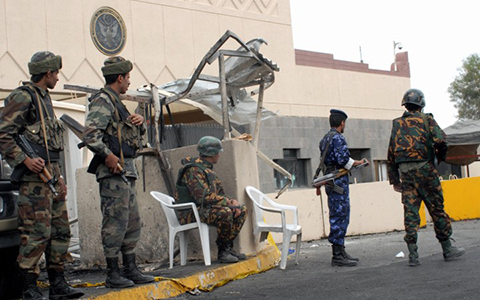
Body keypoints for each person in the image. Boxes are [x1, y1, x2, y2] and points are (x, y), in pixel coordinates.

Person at [0, 51, 84, 300]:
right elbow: (3, 133)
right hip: (33, 181)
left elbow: (50, 145)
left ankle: (58, 284)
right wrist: (24, 159)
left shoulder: (44, 99)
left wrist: (59, 179)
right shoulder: (23, 97)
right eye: (56, 73)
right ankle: (29, 288)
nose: (58, 77)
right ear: (47, 73)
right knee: (36, 233)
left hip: (51, 175)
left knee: (60, 231)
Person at [83, 56, 154, 288]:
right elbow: (91, 134)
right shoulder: (103, 100)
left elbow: (132, 137)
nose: (129, 83)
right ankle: (113, 273)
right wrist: (108, 155)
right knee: (114, 222)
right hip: (113, 173)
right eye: (128, 78)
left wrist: (139, 122)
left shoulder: (117, 103)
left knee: (131, 221)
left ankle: (130, 268)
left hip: (127, 171)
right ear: (120, 78)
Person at [387, 88, 465, 267]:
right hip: (426, 171)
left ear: (405, 105)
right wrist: (440, 159)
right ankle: (447, 248)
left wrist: (394, 181)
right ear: (421, 104)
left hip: (406, 174)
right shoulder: (426, 119)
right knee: (437, 208)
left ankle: (413, 255)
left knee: (410, 213)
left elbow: (390, 154)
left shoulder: (397, 124)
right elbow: (441, 140)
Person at [175, 136, 247, 263]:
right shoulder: (193, 170)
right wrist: (228, 203)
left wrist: (232, 201)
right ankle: (223, 252)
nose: (219, 155)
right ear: (212, 153)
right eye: (218, 152)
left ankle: (227, 247)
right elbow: (203, 197)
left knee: (241, 210)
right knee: (225, 213)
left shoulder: (207, 170)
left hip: (204, 210)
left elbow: (220, 194)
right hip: (190, 213)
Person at [318, 109, 369, 267]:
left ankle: (340, 251)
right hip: (338, 183)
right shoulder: (338, 138)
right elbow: (343, 160)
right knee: (340, 216)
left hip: (331, 182)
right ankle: (338, 255)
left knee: (336, 215)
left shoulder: (325, 138)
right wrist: (359, 163)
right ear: (342, 123)